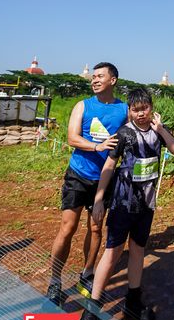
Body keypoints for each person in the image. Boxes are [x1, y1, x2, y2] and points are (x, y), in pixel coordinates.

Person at [80, 87, 174, 320]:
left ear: (151, 108)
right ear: (129, 111)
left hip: (146, 205)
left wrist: (161, 129)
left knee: (138, 250)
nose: (141, 114)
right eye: (135, 110)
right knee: (113, 252)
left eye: (144, 108)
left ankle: (133, 300)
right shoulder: (124, 134)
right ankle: (93, 306)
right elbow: (109, 165)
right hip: (122, 204)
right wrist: (99, 199)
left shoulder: (158, 132)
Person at [47, 62, 128, 306]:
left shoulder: (123, 109)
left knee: (95, 229)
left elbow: (135, 130)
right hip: (78, 175)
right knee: (68, 228)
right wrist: (97, 146)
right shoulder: (82, 106)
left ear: (113, 80)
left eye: (100, 76)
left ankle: (87, 273)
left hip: (104, 179)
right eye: (93, 77)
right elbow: (72, 138)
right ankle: (55, 280)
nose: (94, 80)